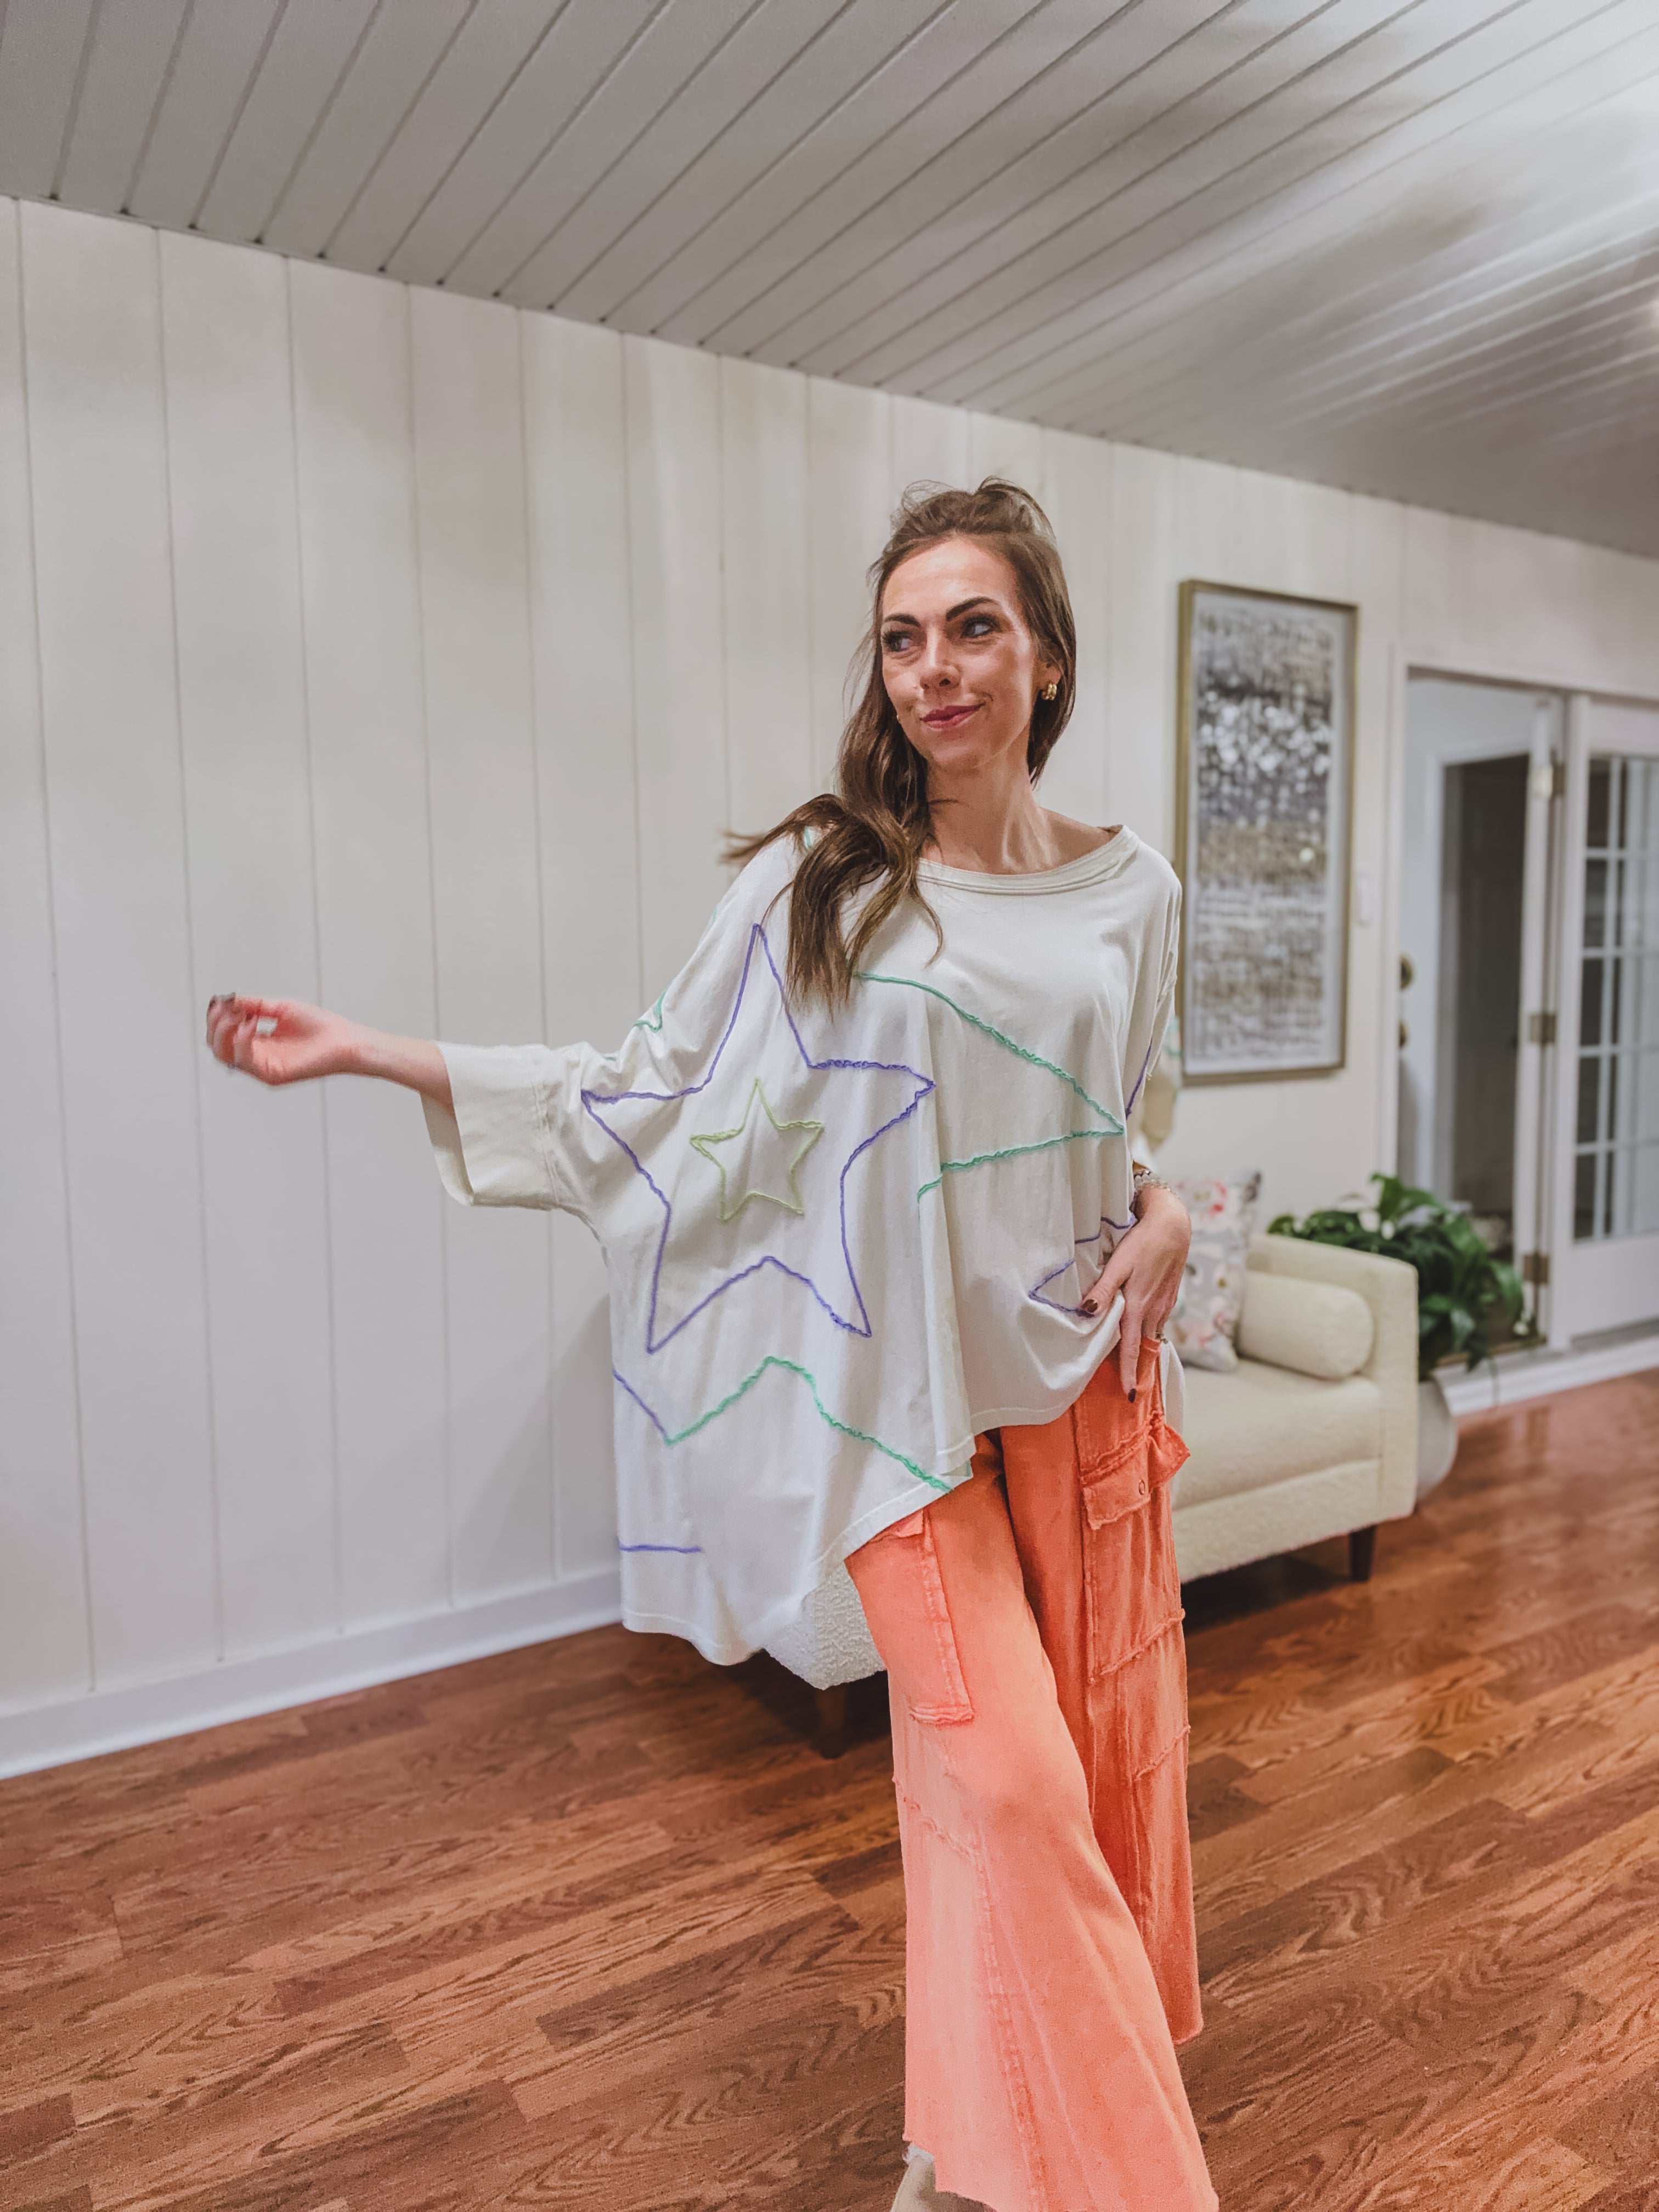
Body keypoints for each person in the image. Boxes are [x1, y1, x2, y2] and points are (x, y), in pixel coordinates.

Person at [206, 479, 1215, 2212]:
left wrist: (1171, 1208)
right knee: (1019, 1790)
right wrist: (381, 1054)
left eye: (973, 628)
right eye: (902, 638)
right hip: (899, 1416)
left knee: (1058, 1796)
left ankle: (961, 2145)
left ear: (1049, 659)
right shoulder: (828, 883)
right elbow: (648, 1095)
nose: (933, 668)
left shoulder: (1136, 894)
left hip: (1080, 1395)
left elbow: (1123, 1125)